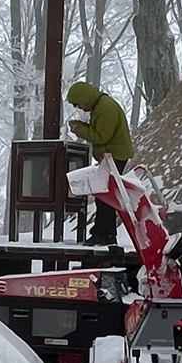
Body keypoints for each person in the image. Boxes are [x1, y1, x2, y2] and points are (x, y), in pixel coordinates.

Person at [66, 80, 133, 246]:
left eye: (78, 104)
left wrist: (79, 128)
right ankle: (106, 234)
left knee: (104, 196)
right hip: (112, 155)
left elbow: (101, 136)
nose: (79, 108)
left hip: (114, 156)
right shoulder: (102, 106)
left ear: (85, 98)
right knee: (105, 195)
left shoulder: (106, 108)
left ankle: (102, 234)